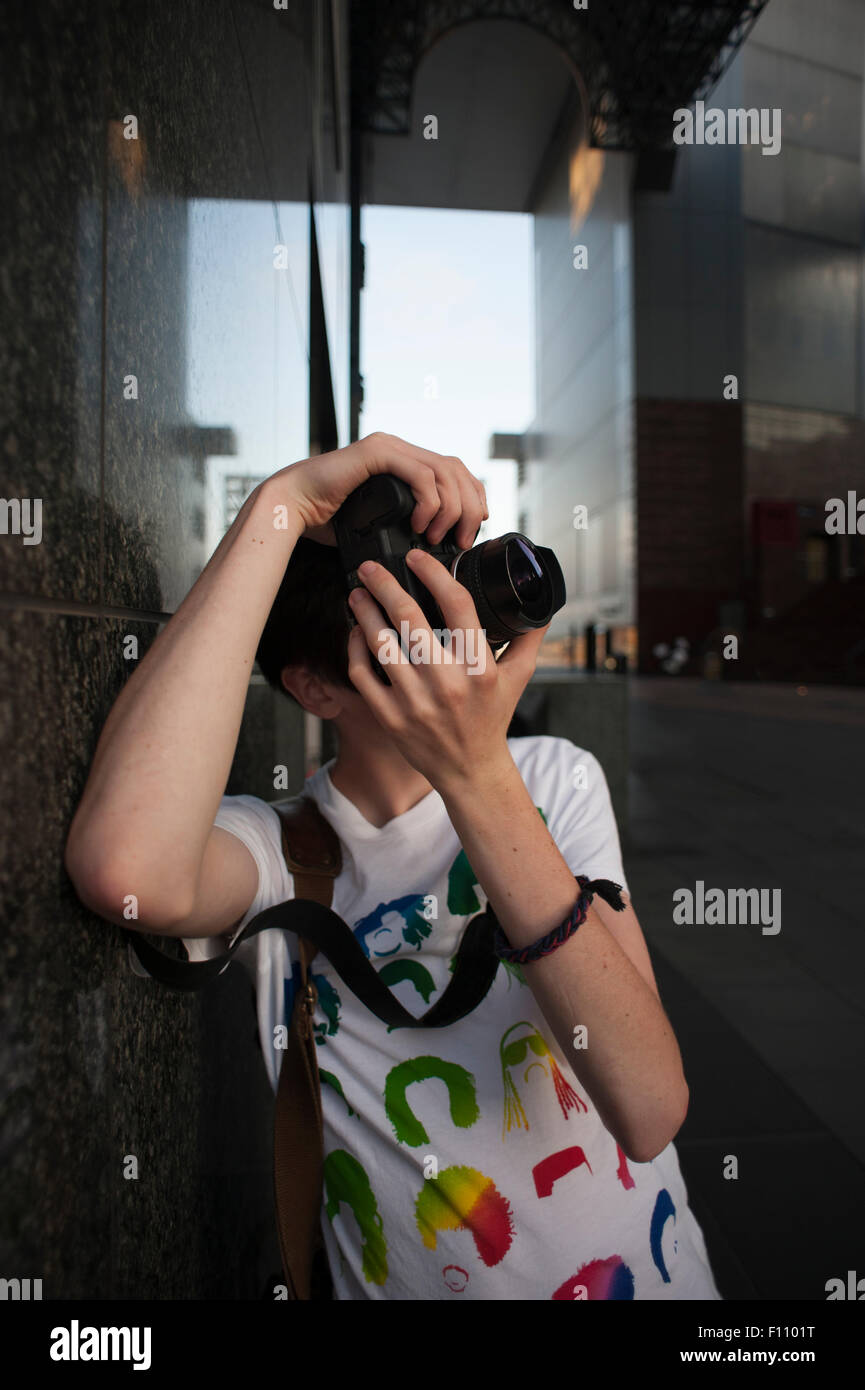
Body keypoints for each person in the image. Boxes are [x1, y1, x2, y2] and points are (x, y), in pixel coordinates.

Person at [65, 432, 720, 1301]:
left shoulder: (550, 781)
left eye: (441, 579)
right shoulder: (289, 852)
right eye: (400, 606)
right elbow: (126, 871)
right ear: (315, 689)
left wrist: (478, 775)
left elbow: (648, 1110)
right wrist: (281, 505)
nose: (446, 619)